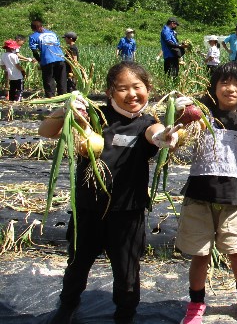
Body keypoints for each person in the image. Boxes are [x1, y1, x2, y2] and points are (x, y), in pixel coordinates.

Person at [39, 62, 180, 324]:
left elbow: (156, 136)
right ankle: (67, 307)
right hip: (89, 209)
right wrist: (67, 108)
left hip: (127, 213)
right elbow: (46, 132)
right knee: (77, 265)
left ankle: (124, 316)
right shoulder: (95, 117)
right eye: (123, 89)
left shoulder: (148, 123)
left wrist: (168, 135)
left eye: (137, 87)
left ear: (148, 89)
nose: (132, 94)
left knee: (127, 273)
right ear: (110, 92)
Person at [175, 61, 237, 324]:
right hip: (199, 195)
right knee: (200, 253)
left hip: (234, 197)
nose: (231, 89)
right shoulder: (201, 115)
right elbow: (175, 141)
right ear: (213, 86)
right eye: (224, 82)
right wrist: (178, 116)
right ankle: (196, 303)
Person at [29, 19, 67, 97]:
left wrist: (39, 60)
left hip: (47, 59)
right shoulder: (52, 33)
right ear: (42, 26)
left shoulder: (33, 37)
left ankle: (51, 96)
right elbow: (58, 44)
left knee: (48, 79)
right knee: (61, 78)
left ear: (33, 29)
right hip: (60, 57)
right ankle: (63, 96)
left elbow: (34, 51)